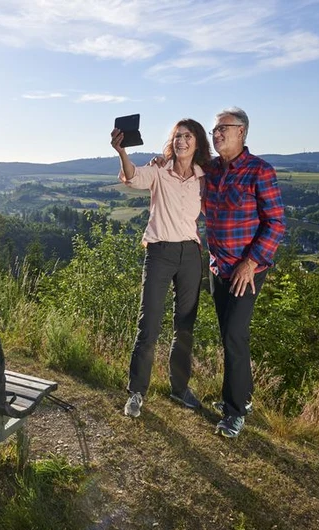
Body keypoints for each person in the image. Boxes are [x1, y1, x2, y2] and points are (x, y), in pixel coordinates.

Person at [110, 118, 212, 418]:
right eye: (177, 136)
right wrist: (122, 152)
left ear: (197, 142)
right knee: (149, 324)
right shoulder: (158, 170)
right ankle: (137, 392)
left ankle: (179, 389)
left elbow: (213, 208)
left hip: (191, 255)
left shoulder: (202, 178)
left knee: (185, 327)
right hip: (160, 252)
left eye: (188, 136)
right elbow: (132, 177)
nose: (181, 140)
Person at [204, 107, 286, 438]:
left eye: (223, 128)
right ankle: (245, 397)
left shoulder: (259, 171)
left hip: (246, 270)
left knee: (235, 336)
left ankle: (234, 411)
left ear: (242, 132)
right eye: (214, 129)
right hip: (218, 266)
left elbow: (276, 222)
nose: (217, 134)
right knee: (231, 337)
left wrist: (251, 262)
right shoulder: (209, 170)